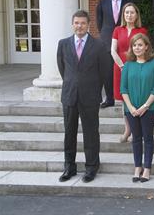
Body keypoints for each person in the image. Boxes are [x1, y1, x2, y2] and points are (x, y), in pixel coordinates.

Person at [57, 10, 108, 183]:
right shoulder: (63, 44)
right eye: (76, 23)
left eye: (83, 23)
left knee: (91, 133)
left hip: (90, 97)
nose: (79, 26)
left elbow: (103, 72)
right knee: (69, 133)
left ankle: (91, 168)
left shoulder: (99, 45)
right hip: (70, 95)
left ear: (88, 25)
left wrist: (94, 90)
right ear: (73, 24)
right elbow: (63, 69)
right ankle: (69, 167)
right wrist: (73, 84)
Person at [121, 33, 154, 183]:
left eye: (140, 45)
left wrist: (145, 106)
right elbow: (123, 89)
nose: (137, 48)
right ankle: (137, 167)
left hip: (149, 109)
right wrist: (131, 107)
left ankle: (147, 169)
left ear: (146, 47)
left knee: (148, 138)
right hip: (131, 109)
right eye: (134, 45)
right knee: (136, 139)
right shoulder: (127, 65)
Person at [111, 3, 148, 143]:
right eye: (126, 12)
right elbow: (113, 50)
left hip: (136, 68)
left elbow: (143, 50)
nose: (129, 15)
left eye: (132, 12)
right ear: (123, 15)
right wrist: (122, 66)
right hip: (119, 68)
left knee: (136, 98)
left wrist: (131, 67)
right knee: (124, 100)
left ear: (136, 15)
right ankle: (127, 129)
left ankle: (137, 130)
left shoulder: (142, 30)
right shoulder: (117, 30)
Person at [96, 0, 132, 108]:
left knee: (126, 69)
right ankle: (109, 98)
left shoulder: (129, 2)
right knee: (107, 71)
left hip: (124, 41)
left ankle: (127, 97)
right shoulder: (102, 2)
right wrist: (106, 37)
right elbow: (99, 22)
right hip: (107, 41)